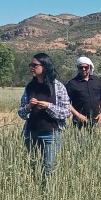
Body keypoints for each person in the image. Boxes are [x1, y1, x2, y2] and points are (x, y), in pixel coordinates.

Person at [18, 53, 71, 184]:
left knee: (49, 167)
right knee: (34, 166)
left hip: (51, 133)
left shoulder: (57, 87)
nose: (32, 68)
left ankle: (48, 195)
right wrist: (29, 107)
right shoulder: (30, 87)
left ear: (45, 66)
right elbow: (21, 112)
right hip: (31, 133)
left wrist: (48, 106)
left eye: (35, 65)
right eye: (31, 65)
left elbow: (66, 111)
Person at [65, 56, 101, 130]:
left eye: (86, 67)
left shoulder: (96, 80)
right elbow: (66, 102)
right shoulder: (72, 83)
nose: (83, 69)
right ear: (78, 68)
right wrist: (78, 115)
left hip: (96, 119)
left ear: (90, 67)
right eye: (81, 67)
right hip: (79, 121)